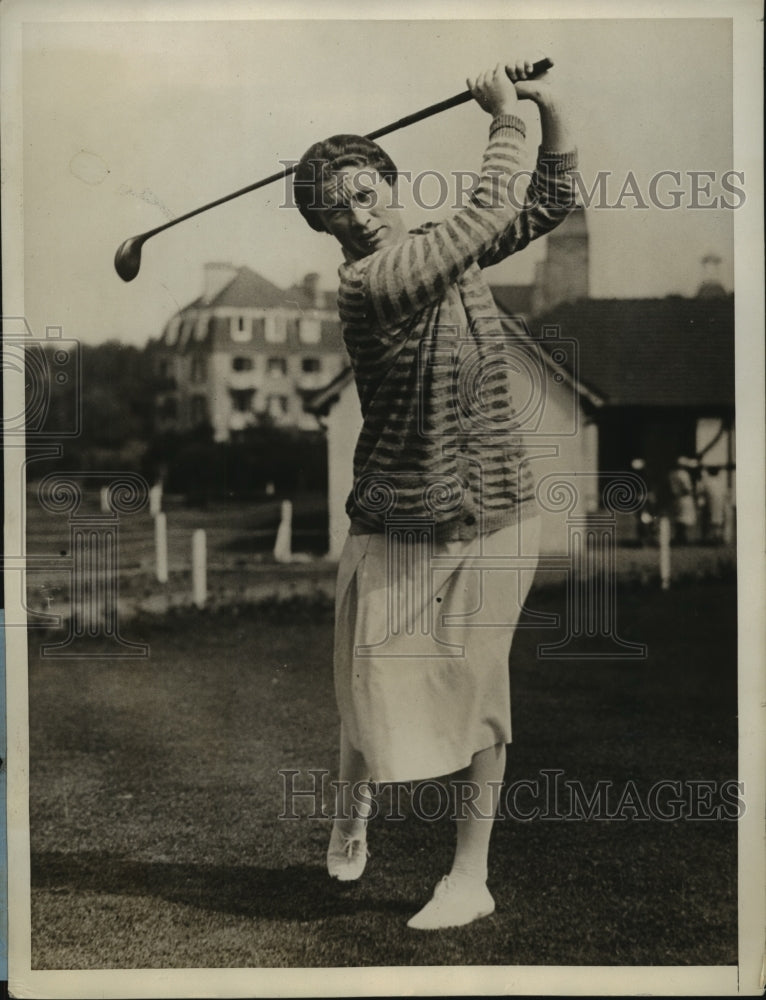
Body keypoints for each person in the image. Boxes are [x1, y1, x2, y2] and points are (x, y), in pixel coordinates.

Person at [294, 59, 577, 929]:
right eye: (335, 207)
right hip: (399, 512)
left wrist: (546, 110)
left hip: (499, 507)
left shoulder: (436, 252)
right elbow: (487, 209)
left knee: (480, 688)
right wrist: (500, 121)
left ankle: (470, 876)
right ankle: (353, 811)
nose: (357, 211)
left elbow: (540, 206)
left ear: (388, 181)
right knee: (369, 687)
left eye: (365, 190)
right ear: (325, 228)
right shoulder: (369, 282)